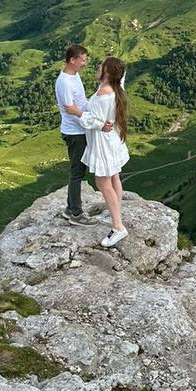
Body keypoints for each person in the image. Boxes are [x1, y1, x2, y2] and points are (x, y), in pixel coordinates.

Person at [63, 56, 130, 248]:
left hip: (103, 144)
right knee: (115, 177)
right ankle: (116, 212)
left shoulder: (103, 95)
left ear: (107, 73)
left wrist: (77, 112)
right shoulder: (117, 88)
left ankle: (118, 227)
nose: (97, 67)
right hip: (113, 141)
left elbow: (94, 122)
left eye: (101, 66)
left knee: (103, 183)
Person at [54, 43, 90, 224]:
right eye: (82, 60)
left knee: (79, 170)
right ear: (72, 60)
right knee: (77, 172)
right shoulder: (65, 82)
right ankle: (75, 213)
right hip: (75, 132)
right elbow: (71, 110)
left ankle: (70, 208)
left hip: (81, 129)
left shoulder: (74, 76)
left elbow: (81, 103)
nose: (85, 63)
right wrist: (91, 122)